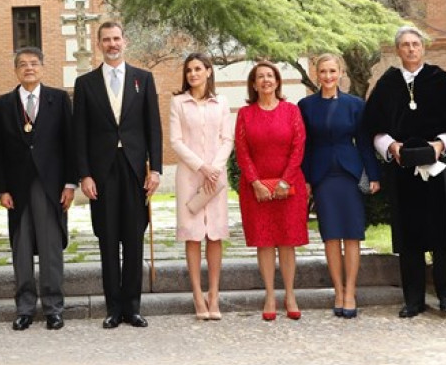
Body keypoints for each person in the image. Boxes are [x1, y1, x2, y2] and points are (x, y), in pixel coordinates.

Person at [364, 27, 446, 318]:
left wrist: (439, 146)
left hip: (439, 167)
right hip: (402, 170)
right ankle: (413, 299)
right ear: (398, 50)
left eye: (415, 44)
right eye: (405, 45)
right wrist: (391, 146)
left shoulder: (441, 80)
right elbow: (373, 128)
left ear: (423, 48)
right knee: (409, 236)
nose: (411, 49)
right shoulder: (387, 84)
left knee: (442, 231)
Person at [74, 21, 162, 329]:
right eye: (106, 40)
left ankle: (133, 308)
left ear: (125, 42)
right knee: (108, 238)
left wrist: (157, 170)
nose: (112, 44)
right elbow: (79, 134)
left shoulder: (143, 79)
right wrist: (84, 174)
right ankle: (113, 308)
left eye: (116, 39)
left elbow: (154, 128)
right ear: (99, 44)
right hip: (102, 171)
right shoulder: (85, 84)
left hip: (135, 169)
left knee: (134, 237)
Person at [0, 47, 76, 331]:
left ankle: (53, 307)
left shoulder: (59, 99)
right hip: (17, 187)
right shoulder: (2, 106)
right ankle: (25, 307)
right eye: (23, 64)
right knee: (22, 247)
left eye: (34, 63)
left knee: (51, 248)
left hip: (50, 185)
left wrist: (69, 183)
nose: (29, 68)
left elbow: (69, 144)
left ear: (42, 67)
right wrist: (1, 188)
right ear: (16, 70)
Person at [298, 53, 380, 319]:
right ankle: (338, 291)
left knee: (352, 234)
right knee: (331, 235)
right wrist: (307, 179)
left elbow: (365, 142)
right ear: (317, 74)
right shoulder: (306, 105)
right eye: (323, 72)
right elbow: (305, 145)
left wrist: (374, 175)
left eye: (333, 71)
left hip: (350, 173)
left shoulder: (355, 104)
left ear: (341, 73)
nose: (328, 76)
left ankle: (351, 292)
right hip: (322, 176)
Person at [235, 59, 308, 321]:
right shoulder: (245, 114)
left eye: (270, 76)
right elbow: (242, 151)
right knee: (264, 243)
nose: (265, 80)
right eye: (260, 77)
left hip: (288, 187)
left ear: (277, 81)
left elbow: (299, 146)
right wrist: (255, 182)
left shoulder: (291, 111)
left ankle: (290, 294)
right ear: (254, 84)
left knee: (287, 243)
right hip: (256, 190)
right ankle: (269, 295)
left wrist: (285, 181)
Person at [169, 52, 233, 321]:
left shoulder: (221, 103)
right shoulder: (178, 103)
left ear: (208, 71)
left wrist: (214, 168)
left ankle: (214, 294)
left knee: (215, 234)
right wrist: (201, 167)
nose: (193, 74)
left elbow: (227, 139)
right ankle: (197, 295)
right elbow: (176, 141)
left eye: (198, 69)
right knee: (193, 235)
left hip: (215, 178)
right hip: (190, 176)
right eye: (189, 70)